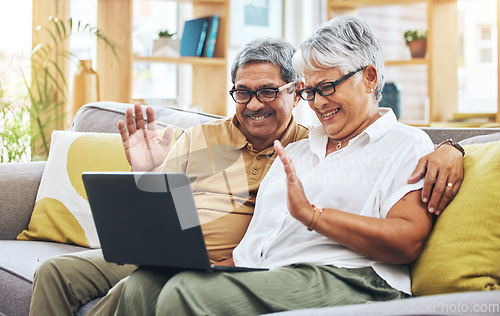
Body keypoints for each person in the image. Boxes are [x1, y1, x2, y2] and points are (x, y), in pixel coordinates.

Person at [30, 33, 462, 315]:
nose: (318, 101)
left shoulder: (392, 144)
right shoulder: (300, 152)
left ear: (369, 78)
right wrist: (151, 175)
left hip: (349, 275)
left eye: (323, 88)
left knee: (181, 291)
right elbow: (253, 245)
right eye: (313, 91)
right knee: (145, 282)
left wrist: (453, 147)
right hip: (253, 266)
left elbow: (405, 237)